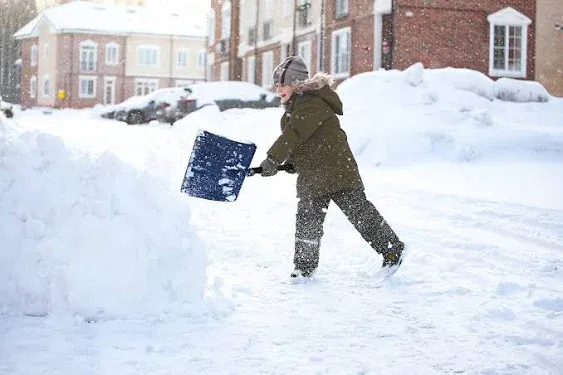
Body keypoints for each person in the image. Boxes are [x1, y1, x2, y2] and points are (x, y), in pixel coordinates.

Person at [259, 56, 404, 278]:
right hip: (314, 174)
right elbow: (305, 141)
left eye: (283, 84)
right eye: (277, 85)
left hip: (336, 170)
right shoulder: (297, 106)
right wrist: (292, 163)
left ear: (296, 84)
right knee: (308, 220)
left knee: (359, 213)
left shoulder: (311, 102)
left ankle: (393, 250)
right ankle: (304, 267)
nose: (279, 89)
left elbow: (295, 133)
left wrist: (272, 159)